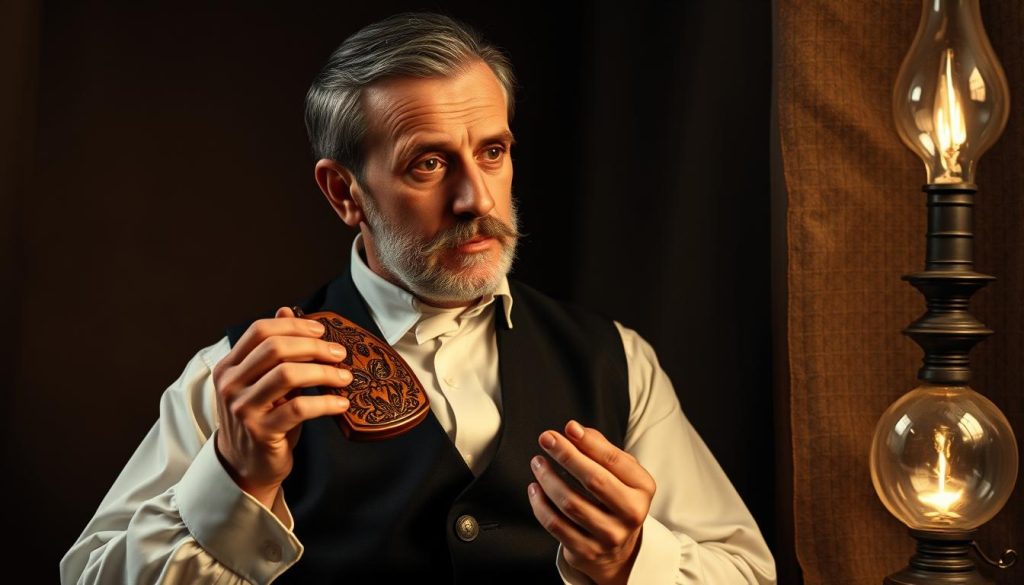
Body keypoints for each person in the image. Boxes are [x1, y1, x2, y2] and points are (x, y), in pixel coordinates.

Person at [61, 12, 776, 585]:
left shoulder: (618, 361)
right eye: (428, 163)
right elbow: (90, 574)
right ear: (344, 192)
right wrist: (235, 480)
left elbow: (745, 571)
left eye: (492, 152)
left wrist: (627, 564)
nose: (475, 198)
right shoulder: (235, 375)